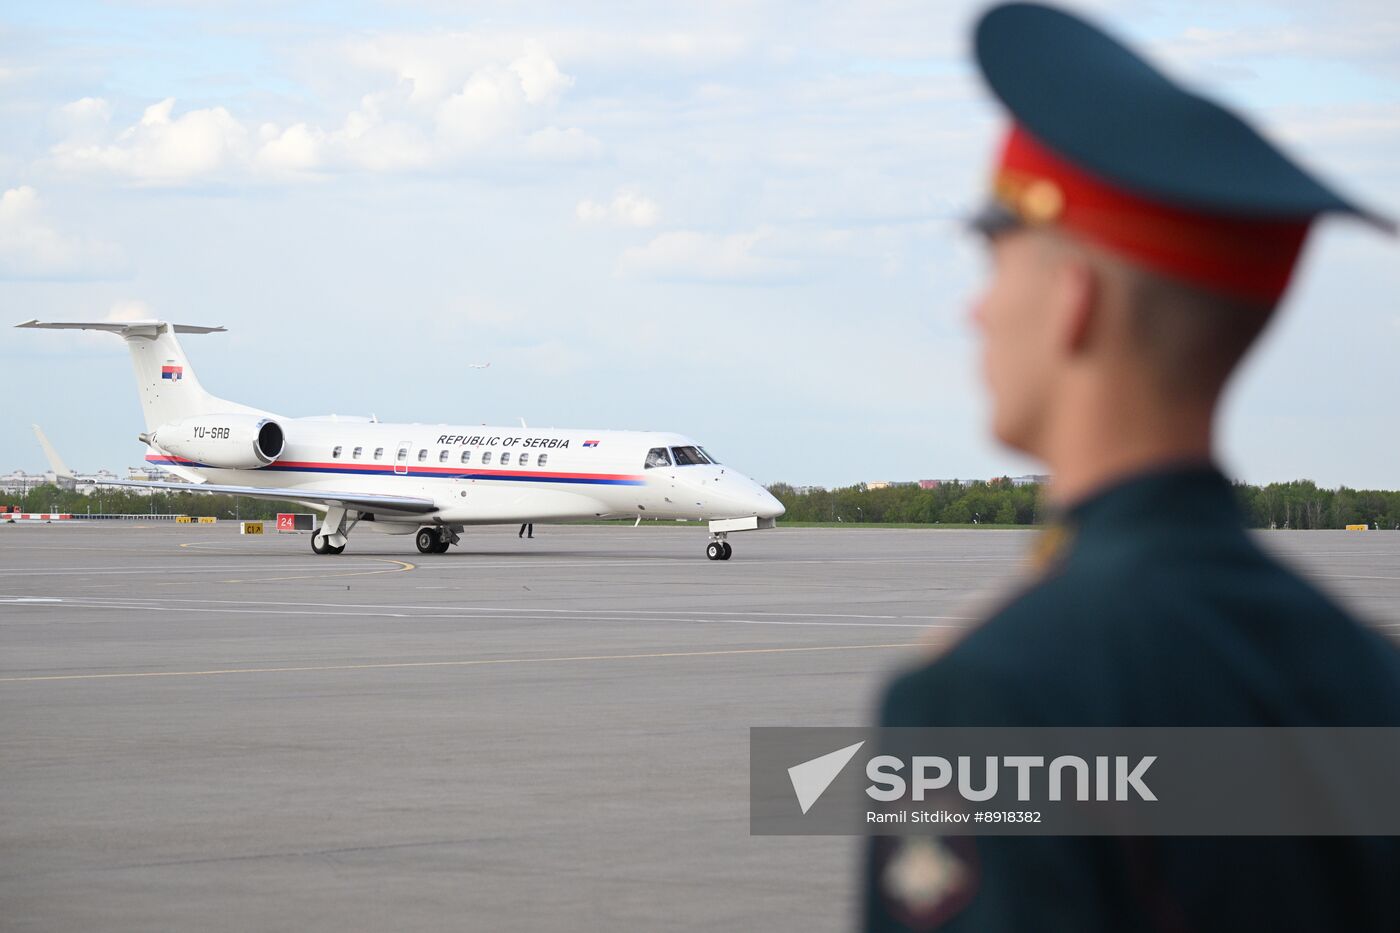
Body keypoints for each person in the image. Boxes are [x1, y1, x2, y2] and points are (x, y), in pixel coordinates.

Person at [865, 3, 1400, 931]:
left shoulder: (991, 695)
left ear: (1074, 302)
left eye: (995, 264)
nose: (976, 313)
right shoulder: (1364, 676)